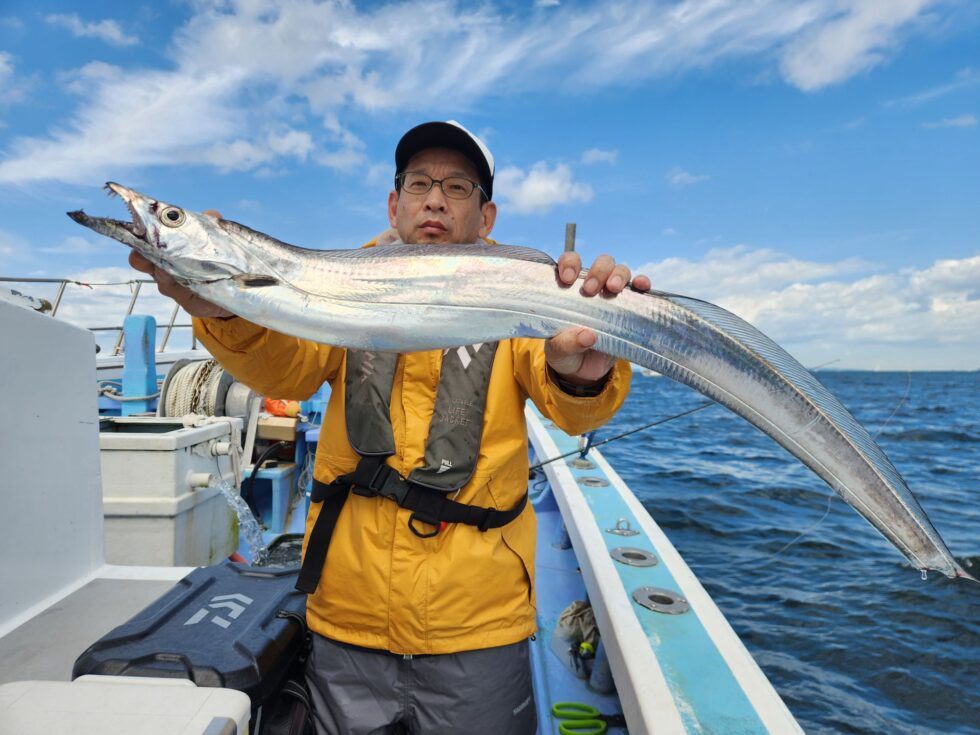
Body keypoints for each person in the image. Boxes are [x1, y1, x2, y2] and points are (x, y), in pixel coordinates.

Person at [130, 120, 650, 735]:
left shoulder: (522, 293)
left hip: (478, 627)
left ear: (486, 218)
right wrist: (227, 313)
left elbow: (570, 404)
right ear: (394, 203)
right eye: (420, 183)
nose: (435, 199)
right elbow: (286, 371)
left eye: (458, 187)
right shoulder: (342, 283)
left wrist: (583, 374)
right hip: (347, 618)